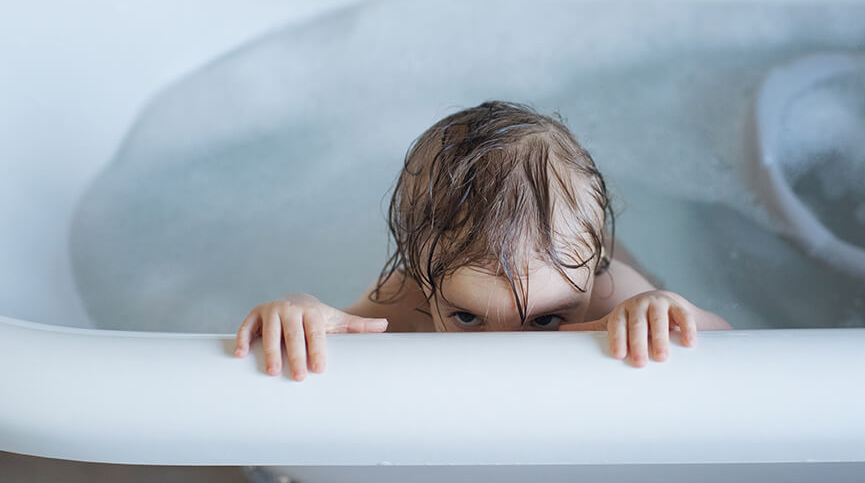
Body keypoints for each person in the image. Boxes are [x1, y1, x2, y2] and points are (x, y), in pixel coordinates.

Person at [233, 101, 731, 379]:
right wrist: (300, 311)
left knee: (651, 300)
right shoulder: (406, 293)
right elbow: (336, 331)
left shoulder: (611, 294)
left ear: (591, 266)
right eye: (467, 317)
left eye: (546, 320)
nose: (504, 352)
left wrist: (668, 313)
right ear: (415, 263)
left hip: (609, 264)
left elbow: (732, 345)